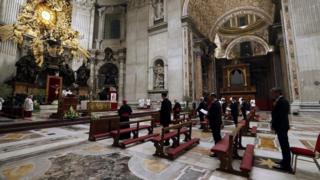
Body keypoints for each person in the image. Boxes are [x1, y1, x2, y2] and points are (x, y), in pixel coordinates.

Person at [270, 88, 292, 172]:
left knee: (284, 145)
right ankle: (284, 161)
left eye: (272, 93)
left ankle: (286, 165)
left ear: (277, 93)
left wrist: (274, 124)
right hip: (281, 126)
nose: (271, 95)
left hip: (281, 126)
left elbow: (280, 116)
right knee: (283, 145)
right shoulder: (280, 101)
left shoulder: (282, 101)